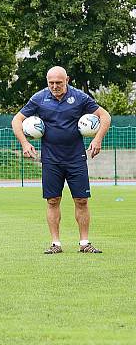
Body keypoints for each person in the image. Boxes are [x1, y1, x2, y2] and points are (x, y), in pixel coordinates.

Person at [12, 66, 111, 254]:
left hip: (76, 157)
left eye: (59, 82)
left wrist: (98, 139)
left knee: (82, 200)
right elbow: (17, 120)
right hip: (51, 159)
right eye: (51, 83)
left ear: (67, 80)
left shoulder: (80, 97)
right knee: (52, 200)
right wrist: (24, 143)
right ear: (47, 82)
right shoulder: (39, 98)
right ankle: (56, 244)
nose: (55, 86)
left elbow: (105, 116)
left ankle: (84, 243)